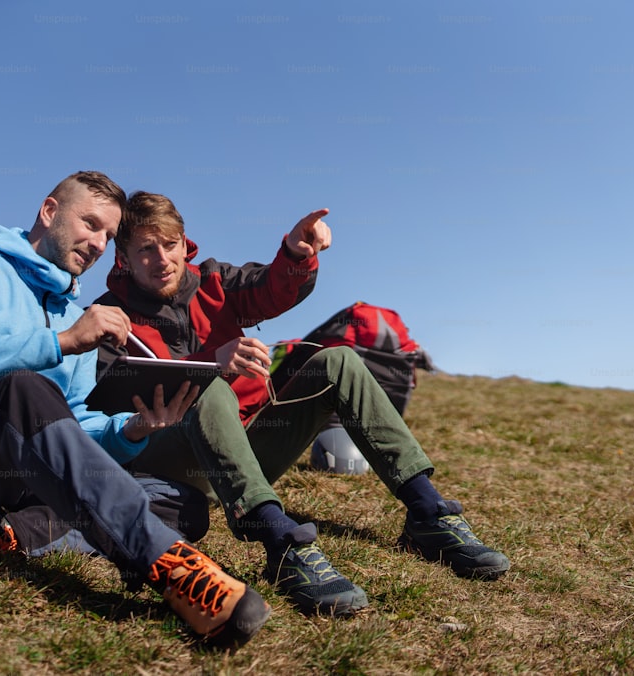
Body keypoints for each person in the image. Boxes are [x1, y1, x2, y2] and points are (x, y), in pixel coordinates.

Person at [0, 172, 270, 648]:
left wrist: (129, 430)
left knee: (180, 500)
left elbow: (73, 422)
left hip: (22, 479)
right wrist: (60, 343)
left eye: (107, 235)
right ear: (49, 211)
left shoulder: (76, 314)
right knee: (23, 390)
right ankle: (169, 566)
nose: (98, 243)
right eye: (90, 224)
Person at [92, 190, 511, 617]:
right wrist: (209, 364)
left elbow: (271, 289)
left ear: (185, 243)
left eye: (170, 243)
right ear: (122, 257)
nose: (162, 258)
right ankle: (281, 543)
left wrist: (295, 253)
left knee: (338, 360)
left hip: (245, 448)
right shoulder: (108, 315)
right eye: (146, 249)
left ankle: (427, 513)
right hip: (172, 461)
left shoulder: (214, 280)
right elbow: (115, 397)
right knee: (211, 387)